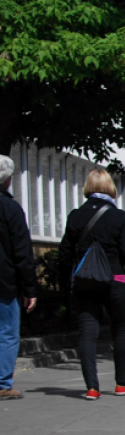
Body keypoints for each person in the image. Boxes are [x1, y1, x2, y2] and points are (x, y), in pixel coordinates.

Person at [59, 169, 125, 400]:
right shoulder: (119, 216)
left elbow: (65, 253)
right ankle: (121, 383)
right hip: (115, 280)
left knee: (87, 331)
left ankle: (92, 388)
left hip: (84, 281)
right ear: (109, 188)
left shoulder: (76, 215)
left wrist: (64, 283)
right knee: (120, 330)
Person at [0, 154, 37, 401]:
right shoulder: (11, 208)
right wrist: (30, 288)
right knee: (6, 333)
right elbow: (22, 253)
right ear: (7, 179)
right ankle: (2, 383)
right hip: (4, 283)